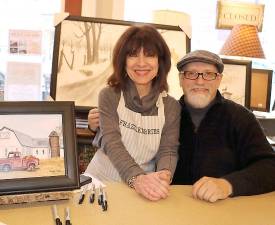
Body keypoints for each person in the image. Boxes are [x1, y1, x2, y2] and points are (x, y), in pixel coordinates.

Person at [88, 49, 275, 203]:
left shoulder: (240, 118)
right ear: (180, 79)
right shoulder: (167, 113)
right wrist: (98, 126)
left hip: (223, 211)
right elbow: (128, 142)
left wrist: (227, 185)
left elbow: (270, 167)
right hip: (167, 206)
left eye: (209, 74)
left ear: (219, 79)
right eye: (191, 74)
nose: (200, 81)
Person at [85, 25, 181, 202]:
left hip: (145, 188)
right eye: (133, 54)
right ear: (123, 61)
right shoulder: (109, 95)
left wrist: (164, 175)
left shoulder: (171, 106)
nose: (141, 63)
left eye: (150, 55)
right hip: (101, 182)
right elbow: (112, 143)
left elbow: (168, 149)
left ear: (161, 62)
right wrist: (137, 178)